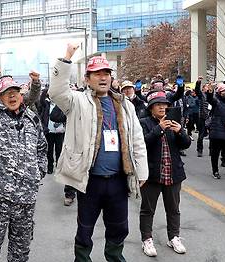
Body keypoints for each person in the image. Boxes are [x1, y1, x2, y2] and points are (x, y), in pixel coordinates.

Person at [49, 44, 148, 261]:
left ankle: (114, 257)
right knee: (85, 230)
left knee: (119, 227)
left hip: (118, 181)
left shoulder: (125, 105)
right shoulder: (76, 101)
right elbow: (56, 91)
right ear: (87, 79)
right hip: (90, 181)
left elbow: (137, 140)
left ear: (111, 78)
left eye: (106, 74)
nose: (102, 78)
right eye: (97, 74)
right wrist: (67, 57)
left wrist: (142, 172)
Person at [0, 38, 47, 262]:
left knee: (21, 249)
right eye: (6, 93)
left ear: (21, 95)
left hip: (26, 197)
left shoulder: (32, 119)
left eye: (15, 91)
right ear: (0, 97)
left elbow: (41, 147)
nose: (12, 95)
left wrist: (38, 171)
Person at [138, 91, 191, 257]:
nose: (162, 107)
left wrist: (180, 132)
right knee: (148, 209)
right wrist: (158, 129)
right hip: (152, 174)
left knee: (173, 208)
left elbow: (186, 144)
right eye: (158, 105)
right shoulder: (144, 123)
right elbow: (141, 144)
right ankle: (146, 239)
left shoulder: (173, 122)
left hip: (173, 172)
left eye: (165, 105)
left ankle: (174, 237)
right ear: (151, 108)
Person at [199, 81, 225, 179]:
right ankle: (215, 171)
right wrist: (210, 91)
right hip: (217, 131)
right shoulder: (216, 101)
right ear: (219, 92)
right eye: (224, 91)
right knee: (215, 153)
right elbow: (210, 99)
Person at [194, 81, 211, 157]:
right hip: (202, 117)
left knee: (212, 136)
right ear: (203, 89)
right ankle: (199, 150)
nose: (208, 88)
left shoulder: (212, 95)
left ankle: (212, 150)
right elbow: (197, 90)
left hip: (211, 117)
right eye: (207, 86)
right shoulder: (202, 95)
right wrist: (198, 83)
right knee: (201, 135)